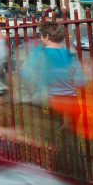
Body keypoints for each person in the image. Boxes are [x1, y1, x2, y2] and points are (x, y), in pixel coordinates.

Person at [19, 21, 85, 176]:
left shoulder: (38, 54)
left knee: (51, 141)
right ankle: (78, 173)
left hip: (50, 101)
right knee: (71, 141)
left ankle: (57, 173)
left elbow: (26, 75)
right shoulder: (71, 55)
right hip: (70, 101)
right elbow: (81, 82)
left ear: (46, 36)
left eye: (41, 36)